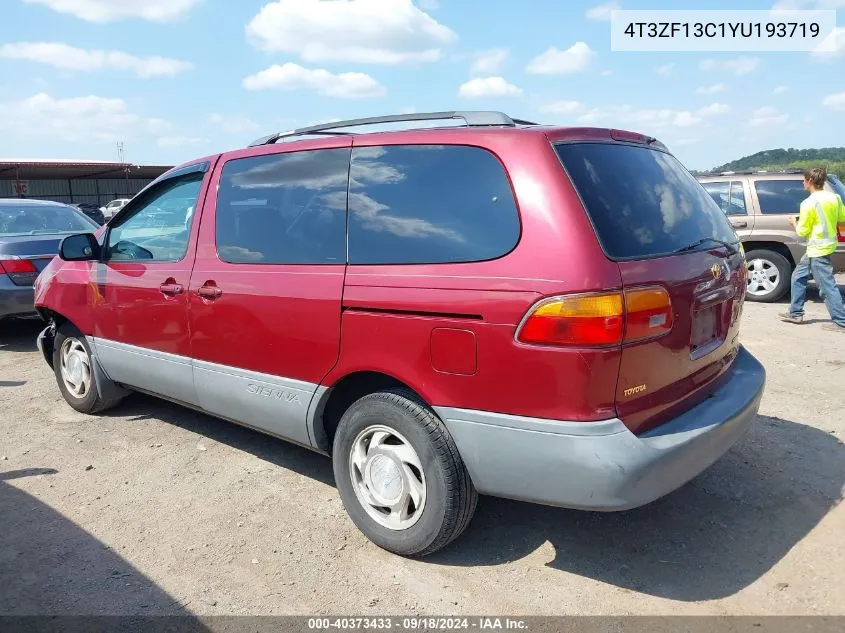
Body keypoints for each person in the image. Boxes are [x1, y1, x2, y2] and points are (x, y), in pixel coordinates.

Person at [779, 167, 845, 332]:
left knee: (826, 287)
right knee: (797, 277)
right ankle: (795, 313)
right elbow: (842, 218)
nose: (802, 182)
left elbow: (802, 231)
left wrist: (794, 222)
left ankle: (841, 321)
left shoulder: (808, 203)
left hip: (817, 248)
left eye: (803, 180)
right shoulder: (835, 198)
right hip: (826, 245)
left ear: (809, 181)